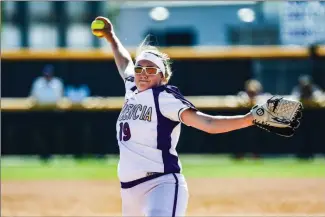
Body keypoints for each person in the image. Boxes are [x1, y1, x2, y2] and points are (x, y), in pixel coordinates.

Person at [92, 16, 255, 217]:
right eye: (139, 69)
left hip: (161, 184)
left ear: (163, 76)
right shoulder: (132, 88)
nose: (143, 73)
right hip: (129, 189)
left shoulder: (164, 97)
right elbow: (124, 61)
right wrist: (111, 37)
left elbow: (208, 123)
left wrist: (248, 119)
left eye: (150, 69)